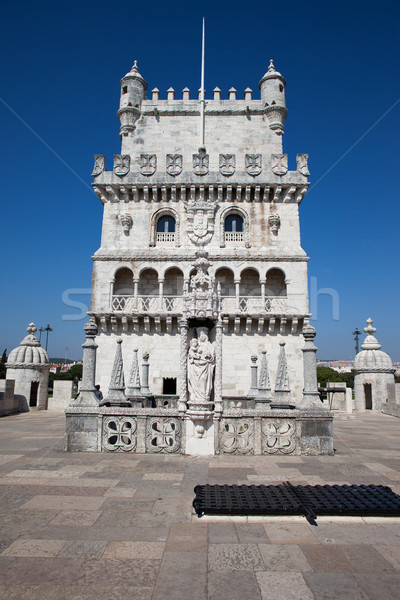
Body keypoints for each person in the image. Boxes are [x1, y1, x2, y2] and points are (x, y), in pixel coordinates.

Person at [187, 328, 215, 404]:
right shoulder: (195, 345)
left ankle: (204, 396)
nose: (201, 336)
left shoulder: (209, 345)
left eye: (203, 335)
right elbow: (190, 355)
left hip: (206, 366)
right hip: (195, 367)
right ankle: (195, 396)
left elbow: (212, 356)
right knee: (196, 381)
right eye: (200, 335)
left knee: (203, 379)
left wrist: (208, 355)